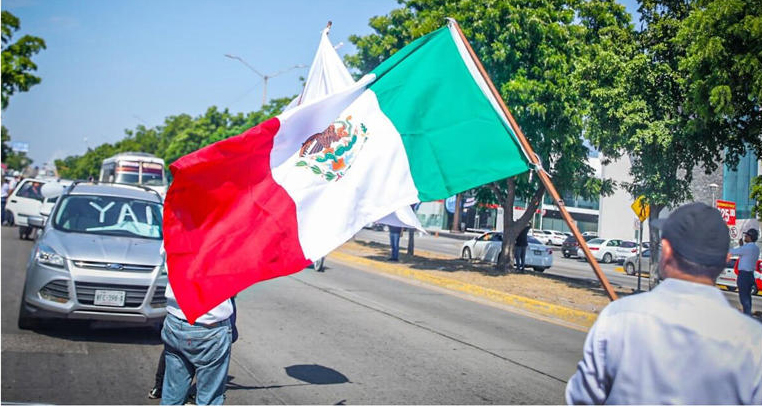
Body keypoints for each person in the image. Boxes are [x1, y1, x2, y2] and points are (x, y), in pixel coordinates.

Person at [566, 202, 762, 404]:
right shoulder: (753, 342)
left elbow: (581, 400)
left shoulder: (619, 319)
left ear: (666, 251)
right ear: (725, 261)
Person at [160, 284, 234, 405]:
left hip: (175, 320)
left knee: (172, 395)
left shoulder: (174, 263)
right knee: (209, 399)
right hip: (209, 327)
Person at [729, 228, 760, 316]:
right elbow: (744, 253)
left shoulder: (747, 248)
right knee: (747, 298)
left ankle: (747, 317)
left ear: (750, 237)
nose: (745, 237)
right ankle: (748, 314)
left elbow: (732, 252)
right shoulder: (756, 248)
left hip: (744, 275)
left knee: (744, 298)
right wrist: (742, 246)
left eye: (746, 236)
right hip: (750, 275)